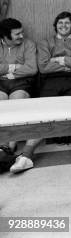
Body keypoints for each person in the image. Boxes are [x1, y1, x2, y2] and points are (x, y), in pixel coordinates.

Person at [12, 12, 71, 173]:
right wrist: (69, 63)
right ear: (55, 25)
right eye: (60, 23)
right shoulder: (45, 42)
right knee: (44, 114)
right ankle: (26, 156)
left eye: (67, 23)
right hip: (50, 81)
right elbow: (43, 67)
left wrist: (57, 60)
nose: (63, 26)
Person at [0, 18, 37, 170]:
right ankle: (2, 145)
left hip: (22, 82)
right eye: (17, 34)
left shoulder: (28, 44)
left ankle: (10, 146)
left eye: (22, 32)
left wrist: (8, 71)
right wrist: (14, 67)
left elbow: (31, 68)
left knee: (15, 104)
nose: (21, 36)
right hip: (1, 83)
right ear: (5, 37)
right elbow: (23, 66)